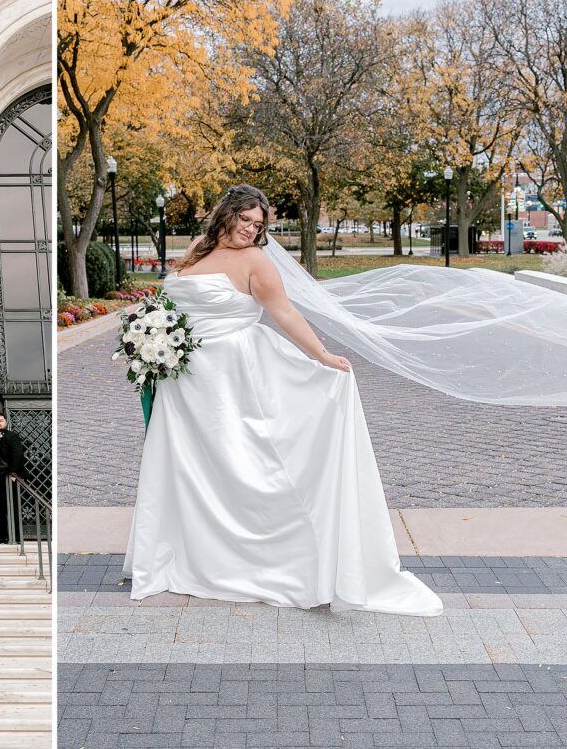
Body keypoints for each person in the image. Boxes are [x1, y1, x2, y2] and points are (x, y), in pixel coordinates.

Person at [125, 185, 442, 616]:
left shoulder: (258, 261)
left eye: (258, 225)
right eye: (245, 221)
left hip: (232, 377)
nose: (250, 230)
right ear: (227, 214)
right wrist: (151, 332)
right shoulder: (198, 249)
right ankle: (194, 555)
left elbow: (286, 313)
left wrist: (322, 355)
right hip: (185, 382)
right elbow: (171, 301)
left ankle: (270, 559)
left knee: (242, 464)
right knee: (191, 467)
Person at [0, 411, 26, 544]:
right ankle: (1, 535)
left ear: (5, 422)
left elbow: (17, 455)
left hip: (7, 477)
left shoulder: (11, 436)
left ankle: (16, 536)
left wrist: (13, 474)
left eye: (1, 420)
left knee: (11, 507)